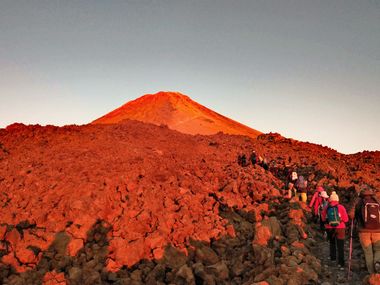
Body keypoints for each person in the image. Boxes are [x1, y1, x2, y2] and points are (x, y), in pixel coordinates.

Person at [348, 189, 380, 274]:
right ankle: (377, 262)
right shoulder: (377, 202)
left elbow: (351, 215)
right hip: (377, 231)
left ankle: (372, 274)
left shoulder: (359, 202)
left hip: (363, 231)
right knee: (378, 250)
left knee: (368, 252)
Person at [321, 191, 349, 269]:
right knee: (340, 245)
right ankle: (341, 263)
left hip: (329, 228)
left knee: (332, 243)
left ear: (330, 200)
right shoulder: (341, 207)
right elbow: (346, 219)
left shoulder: (327, 207)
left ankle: (333, 258)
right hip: (340, 228)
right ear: (337, 199)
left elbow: (323, 218)